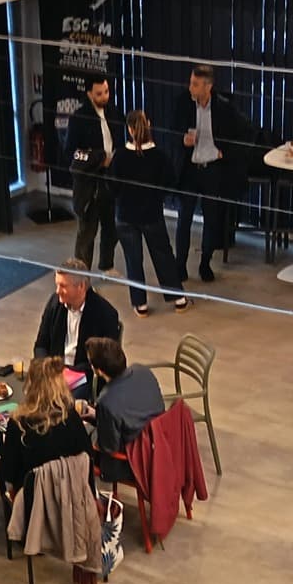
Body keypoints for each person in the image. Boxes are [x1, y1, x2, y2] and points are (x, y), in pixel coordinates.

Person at [173, 64, 258, 284]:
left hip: (212, 169)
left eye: (195, 84)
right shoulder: (183, 102)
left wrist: (225, 153)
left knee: (211, 220)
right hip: (190, 169)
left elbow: (248, 133)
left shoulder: (224, 108)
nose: (190, 87)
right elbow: (172, 130)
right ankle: (179, 265)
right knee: (184, 218)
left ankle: (205, 264)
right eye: (190, 82)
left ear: (208, 86)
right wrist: (182, 139)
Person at [110, 109, 191, 314]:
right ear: (149, 125)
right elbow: (170, 182)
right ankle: (178, 298)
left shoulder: (119, 156)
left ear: (129, 129)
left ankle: (140, 304)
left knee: (133, 260)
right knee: (163, 255)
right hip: (152, 215)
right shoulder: (159, 157)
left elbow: (112, 187)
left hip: (125, 216)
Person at [0, 356, 93, 497]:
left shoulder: (18, 424)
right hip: (69, 495)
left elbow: (8, 473)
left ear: (31, 386)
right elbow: (86, 458)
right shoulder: (72, 418)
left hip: (32, 499)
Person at [65, 74, 123, 271]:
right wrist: (99, 158)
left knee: (111, 229)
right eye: (99, 94)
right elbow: (71, 153)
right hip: (89, 184)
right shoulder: (79, 118)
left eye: (106, 92)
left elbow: (119, 141)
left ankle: (107, 265)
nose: (104, 97)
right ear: (89, 94)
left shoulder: (114, 112)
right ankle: (81, 276)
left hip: (110, 180)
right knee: (87, 233)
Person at [85, 336, 164, 479]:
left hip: (132, 462)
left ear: (99, 371)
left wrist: (93, 425)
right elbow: (127, 411)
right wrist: (98, 416)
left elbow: (109, 447)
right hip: (159, 444)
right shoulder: (142, 371)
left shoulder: (106, 400)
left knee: (84, 435)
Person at [33, 260, 122, 376]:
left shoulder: (106, 314)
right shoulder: (54, 303)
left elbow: (105, 362)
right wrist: (47, 367)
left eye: (63, 286)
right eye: (57, 285)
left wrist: (71, 373)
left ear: (81, 286)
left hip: (84, 376)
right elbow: (40, 346)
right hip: (54, 373)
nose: (57, 291)